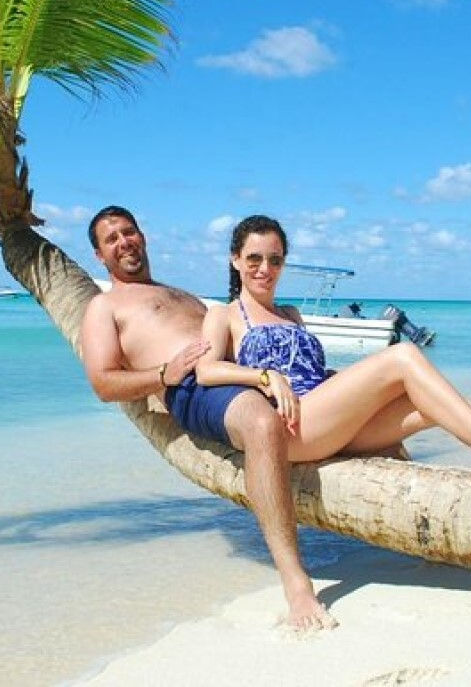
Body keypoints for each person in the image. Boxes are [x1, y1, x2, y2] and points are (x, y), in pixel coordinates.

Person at [194, 214, 471, 502]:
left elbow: (316, 375)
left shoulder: (291, 314)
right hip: (291, 431)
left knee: (441, 404)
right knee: (403, 354)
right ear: (235, 260)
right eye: (253, 259)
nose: (264, 269)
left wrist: (362, 391)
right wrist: (265, 377)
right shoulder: (225, 315)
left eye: (274, 259)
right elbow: (206, 370)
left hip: (329, 421)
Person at [80, 205, 341, 631]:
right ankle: (295, 582)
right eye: (112, 239)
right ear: (99, 255)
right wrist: (164, 374)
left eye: (129, 232)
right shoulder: (104, 307)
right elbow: (104, 383)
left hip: (240, 375)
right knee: (261, 423)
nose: (124, 241)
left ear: (142, 236)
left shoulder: (180, 294)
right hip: (194, 389)